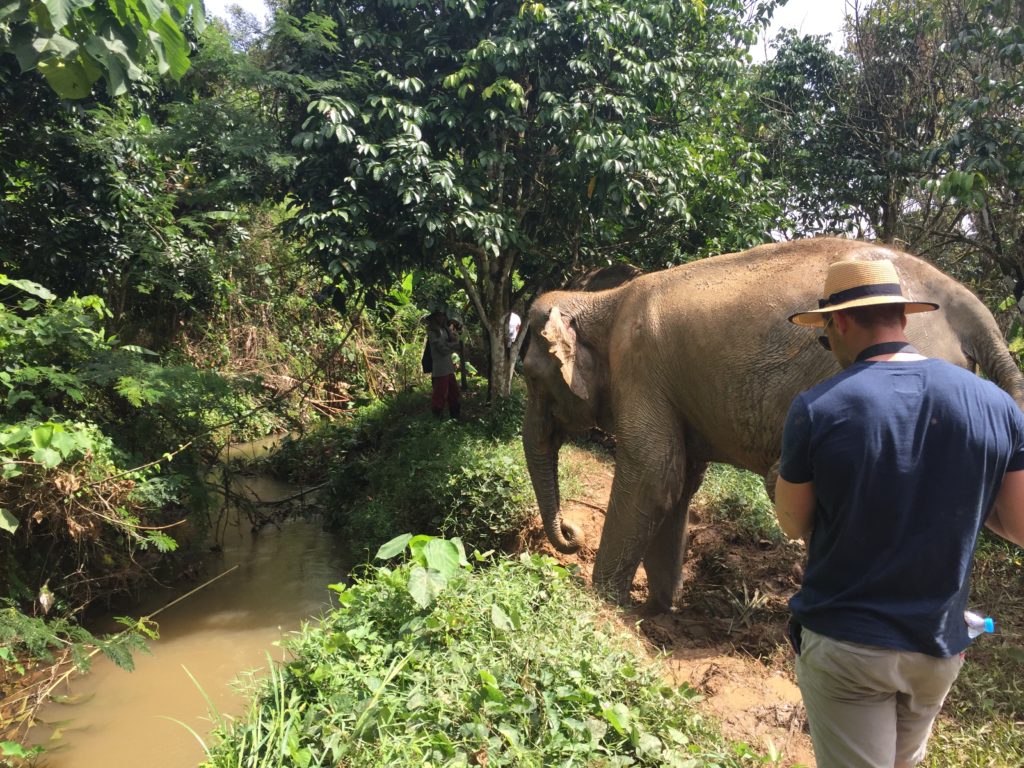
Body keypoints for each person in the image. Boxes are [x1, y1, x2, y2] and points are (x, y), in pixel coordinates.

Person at [775, 258, 1024, 768]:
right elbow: (1019, 526)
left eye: (825, 334)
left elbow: (792, 522)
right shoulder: (996, 406)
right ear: (902, 319)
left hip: (849, 646)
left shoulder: (818, 407)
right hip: (937, 648)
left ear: (839, 322)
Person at [424, 306, 461, 419]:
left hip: (448, 367)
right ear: (434, 318)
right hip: (439, 368)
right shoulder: (433, 332)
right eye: (438, 316)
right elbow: (442, 349)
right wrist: (454, 346)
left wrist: (453, 342)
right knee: (440, 395)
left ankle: (455, 417)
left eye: (442, 315)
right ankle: (437, 420)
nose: (441, 318)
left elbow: (452, 342)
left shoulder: (445, 330)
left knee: (453, 393)